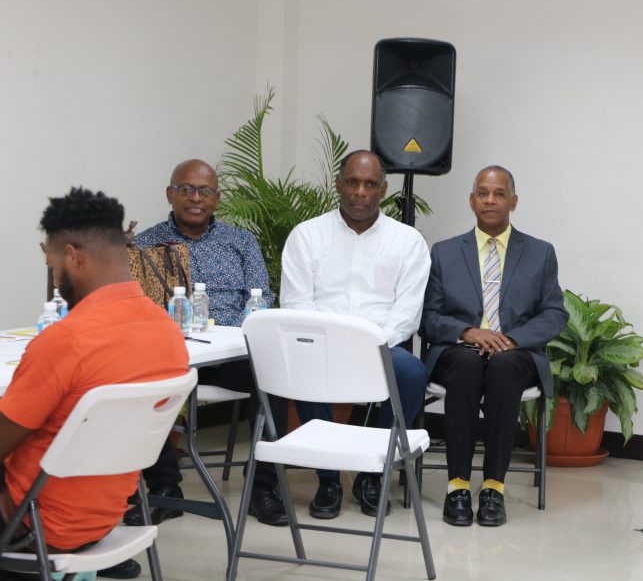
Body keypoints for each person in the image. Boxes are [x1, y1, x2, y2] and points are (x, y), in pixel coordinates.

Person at [0, 188, 189, 558]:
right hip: (106, 519)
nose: (55, 278)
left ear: (73, 257)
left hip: (33, 522)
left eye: (53, 265)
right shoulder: (168, 331)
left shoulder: (66, 340)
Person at [128, 159, 290, 529]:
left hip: (230, 357)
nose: (196, 198)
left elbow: (261, 300)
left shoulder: (241, 242)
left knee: (274, 375)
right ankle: (164, 489)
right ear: (170, 194)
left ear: (217, 198)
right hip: (172, 357)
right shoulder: (146, 245)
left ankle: (263, 488)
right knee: (135, 378)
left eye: (205, 191)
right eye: (186, 189)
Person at [280, 149, 429, 520]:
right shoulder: (307, 236)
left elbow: (407, 312)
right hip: (321, 344)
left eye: (369, 184)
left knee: (411, 372)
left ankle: (371, 474)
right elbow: (297, 302)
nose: (360, 192)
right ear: (338, 184)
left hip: (381, 346)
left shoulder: (407, 241)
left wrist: (369, 347)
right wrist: (332, 344)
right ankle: (328, 478)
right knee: (307, 363)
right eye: (352, 182)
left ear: (383, 189)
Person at [421, 166, 568, 527]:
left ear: (513, 202)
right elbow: (429, 317)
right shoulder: (444, 252)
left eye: (499, 193)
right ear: (471, 200)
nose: (490, 200)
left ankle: (493, 488)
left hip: (515, 354)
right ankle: (457, 486)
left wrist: (513, 340)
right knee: (466, 365)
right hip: (460, 351)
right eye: (483, 193)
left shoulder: (540, 253)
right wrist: (467, 332)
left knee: (503, 368)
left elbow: (554, 314)